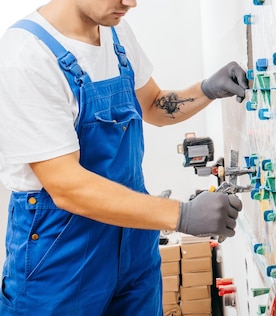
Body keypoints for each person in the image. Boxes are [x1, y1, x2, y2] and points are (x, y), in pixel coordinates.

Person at [0, 0, 249, 314]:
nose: (130, 3)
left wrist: (207, 89)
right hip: (61, 253)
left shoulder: (116, 32)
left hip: (133, 244)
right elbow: (66, 187)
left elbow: (154, 105)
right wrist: (181, 214)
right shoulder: (26, 55)